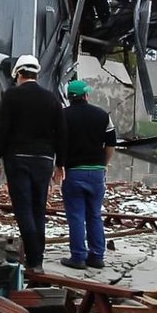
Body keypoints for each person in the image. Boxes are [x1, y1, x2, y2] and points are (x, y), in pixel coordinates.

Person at [0, 54, 66, 274]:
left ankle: (34, 260)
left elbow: (2, 128)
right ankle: (36, 258)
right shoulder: (51, 98)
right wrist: (60, 163)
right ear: (36, 73)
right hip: (44, 161)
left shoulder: (11, 96)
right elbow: (62, 132)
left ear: (19, 74)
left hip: (17, 159)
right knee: (37, 209)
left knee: (23, 209)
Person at [59, 79, 116, 270]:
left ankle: (78, 257)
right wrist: (104, 164)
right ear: (86, 95)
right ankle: (97, 256)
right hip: (96, 173)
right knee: (94, 215)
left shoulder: (63, 116)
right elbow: (111, 144)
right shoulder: (102, 115)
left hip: (73, 172)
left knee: (76, 215)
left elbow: (56, 144)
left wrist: (58, 166)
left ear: (69, 97)